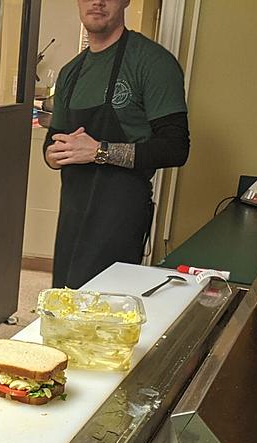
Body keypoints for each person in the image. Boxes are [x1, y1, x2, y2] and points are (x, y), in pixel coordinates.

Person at [45, 0, 190, 288]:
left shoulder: (152, 62)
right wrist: (52, 154)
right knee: (64, 305)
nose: (97, 1)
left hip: (120, 218)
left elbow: (176, 147)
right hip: (73, 216)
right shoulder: (70, 72)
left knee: (104, 315)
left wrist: (100, 152)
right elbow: (53, 141)